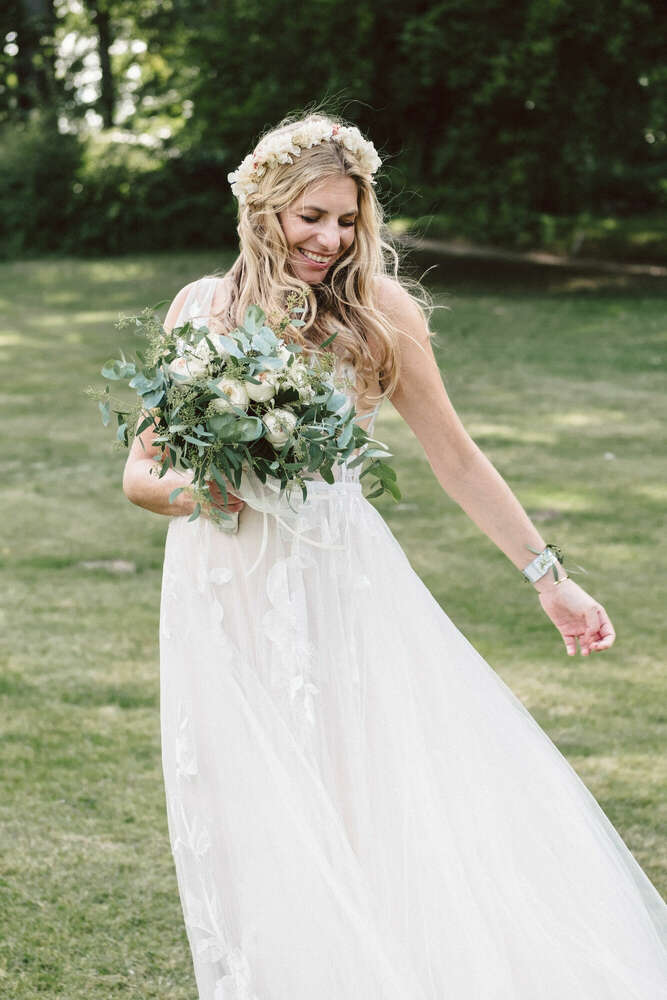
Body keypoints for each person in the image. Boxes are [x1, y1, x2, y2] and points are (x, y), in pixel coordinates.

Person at [121, 113, 666, 999]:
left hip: (336, 578)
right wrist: (199, 492)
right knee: (245, 803)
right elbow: (141, 475)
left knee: (358, 791)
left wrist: (549, 579)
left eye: (345, 220)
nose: (329, 241)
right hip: (219, 586)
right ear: (262, 210)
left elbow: (455, 456)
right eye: (310, 219)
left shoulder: (380, 311)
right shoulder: (201, 308)